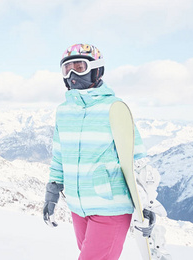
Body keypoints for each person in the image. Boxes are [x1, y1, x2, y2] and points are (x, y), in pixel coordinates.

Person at [42, 43, 160, 260]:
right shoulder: (64, 112)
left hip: (111, 206)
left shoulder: (114, 109)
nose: (73, 74)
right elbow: (59, 156)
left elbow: (136, 160)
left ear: (97, 69)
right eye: (67, 69)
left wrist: (146, 202)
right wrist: (52, 192)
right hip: (78, 207)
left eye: (79, 66)